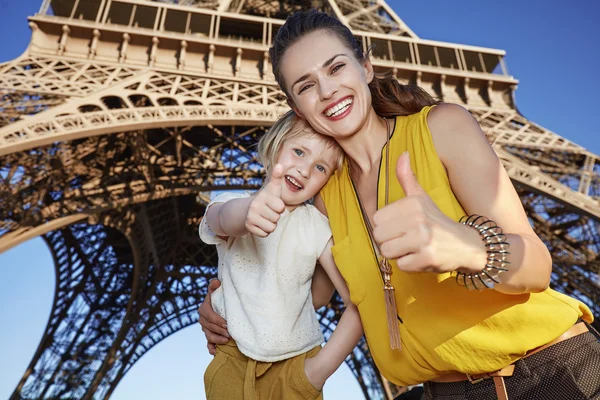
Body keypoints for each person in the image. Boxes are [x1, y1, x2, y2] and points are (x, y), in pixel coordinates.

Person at [200, 9, 600, 400]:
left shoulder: (441, 128)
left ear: (366, 68)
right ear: (295, 107)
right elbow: (304, 296)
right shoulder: (324, 196)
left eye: (336, 68)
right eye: (305, 86)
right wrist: (228, 300)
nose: (327, 91)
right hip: (442, 392)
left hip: (550, 374)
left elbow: (537, 265)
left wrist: (466, 247)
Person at [198, 110, 363, 400]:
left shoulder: (315, 225)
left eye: (321, 168)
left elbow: (357, 298)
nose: (304, 170)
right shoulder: (234, 204)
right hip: (231, 360)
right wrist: (249, 212)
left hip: (296, 365)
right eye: (298, 151)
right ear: (275, 145)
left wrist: (319, 370)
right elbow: (221, 219)